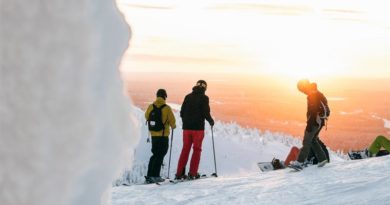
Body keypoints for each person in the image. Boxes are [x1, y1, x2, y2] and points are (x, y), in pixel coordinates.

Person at [175, 80, 214, 180]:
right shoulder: (204, 98)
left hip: (186, 129)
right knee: (197, 150)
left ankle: (179, 174)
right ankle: (192, 173)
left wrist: (186, 122)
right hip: (198, 129)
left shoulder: (188, 96)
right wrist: (211, 121)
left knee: (185, 149)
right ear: (205, 88)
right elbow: (206, 112)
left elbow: (182, 112)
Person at [290, 79, 329, 169]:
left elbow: (313, 111)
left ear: (304, 87)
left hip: (314, 122)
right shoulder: (318, 93)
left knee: (306, 142)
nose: (302, 92)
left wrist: (310, 125)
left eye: (301, 89)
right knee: (313, 140)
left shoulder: (312, 95)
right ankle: (322, 159)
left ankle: (299, 162)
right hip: (321, 121)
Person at [144, 89, 176, 183]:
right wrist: (173, 126)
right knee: (161, 154)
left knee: (155, 154)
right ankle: (156, 176)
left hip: (153, 135)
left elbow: (146, 116)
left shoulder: (151, 106)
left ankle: (150, 175)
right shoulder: (166, 108)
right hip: (163, 135)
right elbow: (172, 122)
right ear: (165, 97)